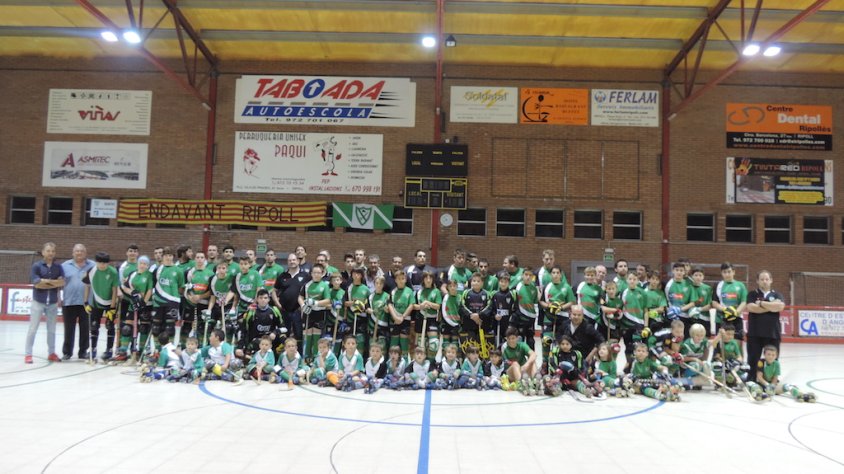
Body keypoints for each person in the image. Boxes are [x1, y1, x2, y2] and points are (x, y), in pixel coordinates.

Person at [25, 242, 65, 363]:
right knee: (33, 328)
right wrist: (53, 282)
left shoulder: (58, 267)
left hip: (52, 303)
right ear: (43, 252)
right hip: (38, 302)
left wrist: (45, 282)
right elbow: (37, 284)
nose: (50, 253)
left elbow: (62, 282)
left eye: (52, 251)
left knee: (52, 329)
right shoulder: (36, 266)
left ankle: (51, 353)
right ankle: (28, 354)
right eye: (48, 251)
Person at [745, 270, 784, 382]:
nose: (764, 281)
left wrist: (761, 304)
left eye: (767, 279)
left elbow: (780, 307)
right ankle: (752, 380)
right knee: (753, 359)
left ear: (771, 280)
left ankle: (771, 381)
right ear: (757, 281)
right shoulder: (752, 294)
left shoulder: (777, 295)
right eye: (762, 279)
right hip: (755, 333)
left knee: (772, 359)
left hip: (772, 333)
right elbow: (752, 308)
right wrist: (772, 306)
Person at [747, 345, 815, 402]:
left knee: (787, 386)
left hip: (772, 386)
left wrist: (772, 386)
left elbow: (775, 378)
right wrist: (767, 385)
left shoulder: (776, 364)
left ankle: (799, 394)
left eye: (773, 355)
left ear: (776, 356)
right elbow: (759, 377)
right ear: (764, 355)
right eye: (768, 354)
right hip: (762, 384)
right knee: (751, 384)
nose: (771, 357)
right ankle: (758, 394)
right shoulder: (761, 362)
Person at [61, 243, 94, 360]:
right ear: (73, 253)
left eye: (81, 251)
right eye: (77, 251)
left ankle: (83, 352)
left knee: (85, 328)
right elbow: (60, 282)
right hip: (69, 302)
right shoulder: (64, 266)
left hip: (87, 303)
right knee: (68, 329)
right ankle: (67, 352)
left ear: (86, 253)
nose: (79, 253)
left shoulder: (93, 266)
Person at [83, 251, 119, 360]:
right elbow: (87, 286)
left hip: (110, 303)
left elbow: (115, 290)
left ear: (108, 263)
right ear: (96, 262)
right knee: (94, 326)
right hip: (96, 303)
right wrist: (85, 302)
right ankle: (93, 349)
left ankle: (109, 350)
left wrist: (112, 307)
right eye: (100, 263)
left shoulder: (113, 272)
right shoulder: (91, 271)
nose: (102, 265)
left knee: (109, 325)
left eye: (105, 263)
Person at [117, 255, 153, 361]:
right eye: (141, 263)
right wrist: (132, 292)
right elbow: (124, 287)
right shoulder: (132, 274)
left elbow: (149, 290)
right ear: (138, 264)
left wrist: (143, 303)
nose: (142, 265)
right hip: (133, 303)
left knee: (143, 328)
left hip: (145, 305)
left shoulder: (149, 275)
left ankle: (142, 351)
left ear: (148, 265)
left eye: (145, 264)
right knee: (127, 328)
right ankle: (123, 351)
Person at [273, 253, 309, 354]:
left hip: (298, 311)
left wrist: (304, 305)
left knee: (299, 335)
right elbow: (274, 291)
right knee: (284, 334)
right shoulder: (282, 276)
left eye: (293, 260)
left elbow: (309, 290)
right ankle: (284, 356)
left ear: (298, 261)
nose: (292, 262)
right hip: (284, 310)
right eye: (289, 260)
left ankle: (300, 356)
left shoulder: (305, 275)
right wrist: (277, 303)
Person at [150, 247, 184, 351]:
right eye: (166, 255)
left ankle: (169, 351)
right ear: (163, 256)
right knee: (156, 328)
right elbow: (153, 285)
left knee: (170, 328)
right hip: (158, 302)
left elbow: (181, 287)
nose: (168, 257)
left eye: (170, 255)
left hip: (172, 302)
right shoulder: (157, 270)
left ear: (173, 257)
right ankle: (157, 351)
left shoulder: (178, 270)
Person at [300, 264, 331, 361]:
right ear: (311, 273)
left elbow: (328, 300)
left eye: (318, 273)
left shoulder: (325, 285)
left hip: (319, 313)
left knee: (317, 334)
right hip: (308, 312)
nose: (316, 274)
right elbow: (300, 297)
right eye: (314, 272)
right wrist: (303, 306)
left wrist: (315, 302)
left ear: (322, 274)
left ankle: (315, 358)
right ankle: (305, 358)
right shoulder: (307, 285)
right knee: (307, 333)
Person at [182, 251, 213, 348]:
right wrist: (191, 297)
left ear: (205, 259)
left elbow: (211, 291)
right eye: (198, 257)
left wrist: (200, 297)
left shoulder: (210, 273)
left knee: (201, 328)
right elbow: (186, 287)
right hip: (190, 303)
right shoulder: (189, 272)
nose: (199, 259)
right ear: (195, 259)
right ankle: (184, 347)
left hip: (203, 303)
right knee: (186, 327)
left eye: (202, 257)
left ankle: (200, 348)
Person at [712, 262, 748, 342]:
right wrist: (725, 310)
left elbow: (744, 302)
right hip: (721, 319)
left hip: (737, 319)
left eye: (729, 272)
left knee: (737, 343)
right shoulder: (718, 285)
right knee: (720, 343)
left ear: (733, 272)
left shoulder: (741, 285)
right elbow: (714, 302)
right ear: (721, 273)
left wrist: (735, 312)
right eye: (724, 272)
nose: (727, 274)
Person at [415, 271, 441, 361]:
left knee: (434, 344)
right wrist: (421, 306)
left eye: (430, 278)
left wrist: (428, 303)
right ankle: (421, 362)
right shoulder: (419, 292)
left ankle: (431, 363)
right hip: (421, 318)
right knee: (421, 343)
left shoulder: (436, 291)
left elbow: (438, 306)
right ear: (423, 279)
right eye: (426, 278)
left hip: (432, 319)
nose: (428, 280)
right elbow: (414, 306)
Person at [388, 270, 415, 357]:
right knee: (394, 342)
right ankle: (391, 361)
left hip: (405, 320)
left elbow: (411, 305)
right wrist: (395, 317)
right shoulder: (393, 292)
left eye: (402, 278)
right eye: (398, 279)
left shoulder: (409, 291)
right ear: (395, 280)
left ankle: (405, 362)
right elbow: (390, 305)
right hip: (394, 320)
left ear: (406, 280)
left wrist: (402, 317)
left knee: (404, 342)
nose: (401, 280)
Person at [512, 269, 539, 345]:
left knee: (531, 341)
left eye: (530, 275)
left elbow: (535, 303)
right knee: (520, 340)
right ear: (522, 276)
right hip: (520, 318)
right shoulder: (517, 287)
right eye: (526, 274)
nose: (528, 277)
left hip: (531, 318)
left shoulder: (534, 288)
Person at [489, 272, 516, 348]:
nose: (503, 284)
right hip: (497, 323)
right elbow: (491, 308)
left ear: (509, 283)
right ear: (498, 282)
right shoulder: (494, 294)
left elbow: (515, 309)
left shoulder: (512, 294)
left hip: (508, 323)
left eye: (505, 282)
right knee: (497, 343)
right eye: (501, 282)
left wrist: (512, 320)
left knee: (507, 343)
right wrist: (495, 315)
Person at [367, 275, 391, 354]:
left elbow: (390, 309)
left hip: (382, 325)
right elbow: (367, 308)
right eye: (377, 283)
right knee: (372, 347)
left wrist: (387, 310)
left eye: (380, 283)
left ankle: (382, 361)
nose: (378, 285)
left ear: (383, 285)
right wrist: (369, 310)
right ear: (374, 284)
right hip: (372, 325)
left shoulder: (387, 296)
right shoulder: (370, 296)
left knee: (382, 348)